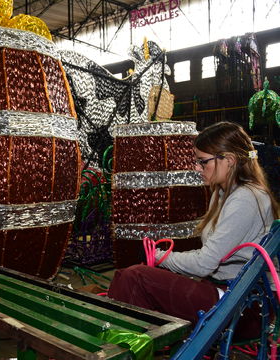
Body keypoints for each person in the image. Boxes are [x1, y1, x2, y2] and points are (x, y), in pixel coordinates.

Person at [108, 121, 279, 338]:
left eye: (202, 162)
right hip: (230, 294)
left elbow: (203, 263)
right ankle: (124, 351)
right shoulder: (222, 193)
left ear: (229, 160)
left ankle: (120, 357)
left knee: (136, 277)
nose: (197, 168)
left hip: (245, 308)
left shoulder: (245, 198)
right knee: (126, 277)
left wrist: (159, 257)